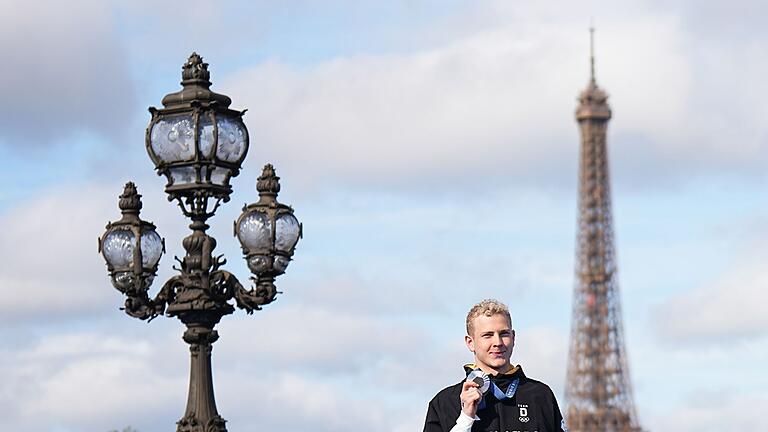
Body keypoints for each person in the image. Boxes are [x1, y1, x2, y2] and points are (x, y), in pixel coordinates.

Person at [423, 299, 567, 432]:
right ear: (470, 342)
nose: (497, 342)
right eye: (487, 335)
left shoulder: (540, 395)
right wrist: (466, 418)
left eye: (504, 334)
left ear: (513, 337)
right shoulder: (445, 402)